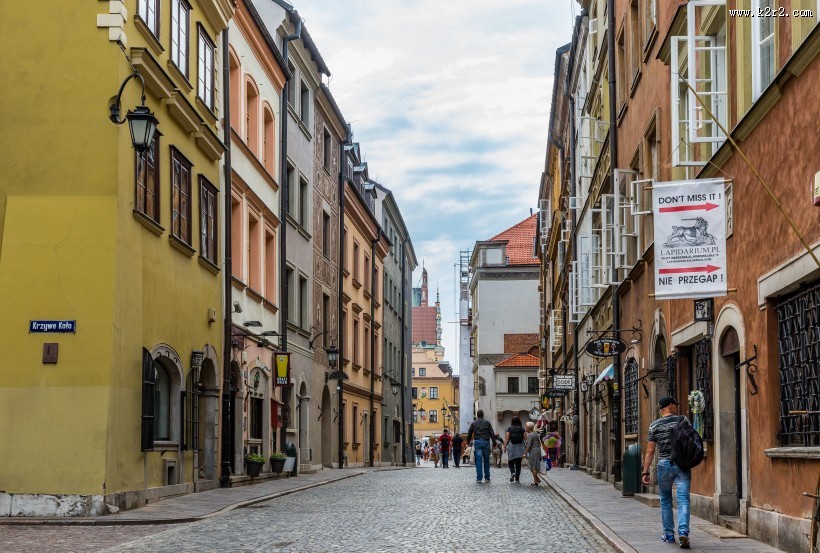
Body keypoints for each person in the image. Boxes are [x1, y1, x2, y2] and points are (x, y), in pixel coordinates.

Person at [642, 396, 691, 550]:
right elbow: (691, 440)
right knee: (683, 498)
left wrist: (645, 472)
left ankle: (668, 534)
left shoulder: (654, 426)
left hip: (664, 463)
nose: (676, 407)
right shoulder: (683, 421)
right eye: (674, 405)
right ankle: (683, 530)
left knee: (665, 500)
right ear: (670, 406)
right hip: (682, 463)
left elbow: (650, 451)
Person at [466, 410, 494, 483]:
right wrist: (494, 442)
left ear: (477, 415)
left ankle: (479, 478)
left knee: (478, 460)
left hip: (478, 441)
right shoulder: (487, 422)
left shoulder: (474, 423)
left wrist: (467, 442)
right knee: (486, 460)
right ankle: (487, 477)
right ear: (483, 415)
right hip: (486, 441)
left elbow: (469, 433)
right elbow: (492, 433)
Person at [504, 416, 526, 483]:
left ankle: (512, 472)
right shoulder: (522, 429)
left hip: (512, 447)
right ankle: (517, 479)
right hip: (520, 447)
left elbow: (507, 439)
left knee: (510, 462)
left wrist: (504, 446)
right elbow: (525, 438)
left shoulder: (510, 429)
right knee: (518, 463)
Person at [524, 421, 543, 486]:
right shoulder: (535, 433)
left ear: (528, 428)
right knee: (533, 466)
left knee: (533, 467)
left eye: (526, 427)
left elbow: (528, 445)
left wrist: (525, 453)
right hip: (537, 450)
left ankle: (536, 481)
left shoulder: (530, 435)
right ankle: (537, 479)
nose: (525, 428)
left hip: (533, 451)